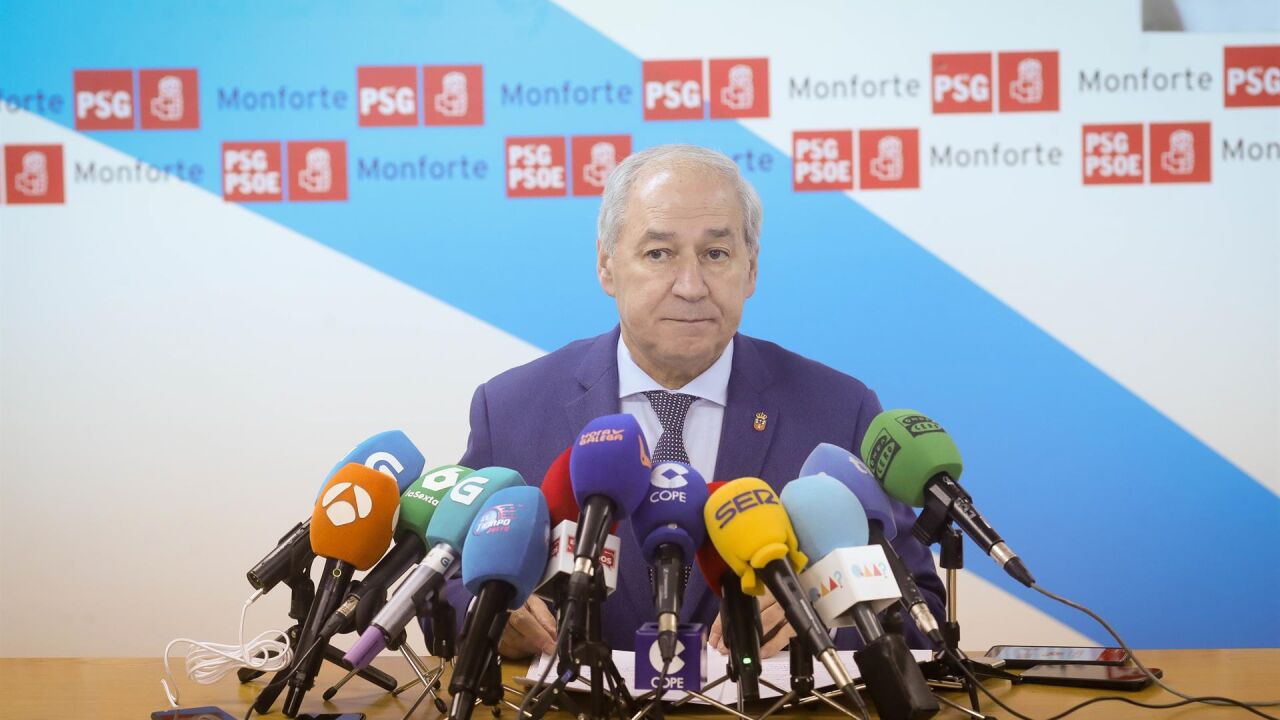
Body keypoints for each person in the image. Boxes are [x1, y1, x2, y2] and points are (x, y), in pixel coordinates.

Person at [448, 144, 945, 658]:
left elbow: (918, 608)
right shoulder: (511, 409)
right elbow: (447, 580)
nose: (690, 287)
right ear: (607, 265)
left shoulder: (838, 411)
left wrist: (823, 612)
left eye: (715, 254)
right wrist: (488, 613)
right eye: (658, 253)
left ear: (751, 269)